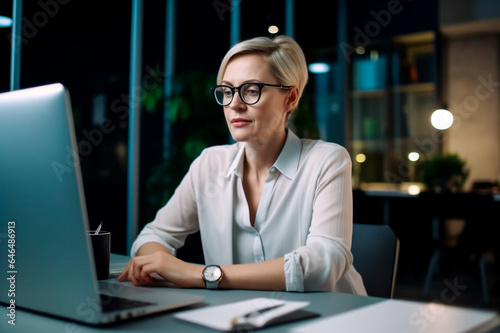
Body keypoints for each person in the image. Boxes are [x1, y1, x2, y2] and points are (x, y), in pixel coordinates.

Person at [118, 35, 366, 294]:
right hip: (240, 318)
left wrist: (200, 274)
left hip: (333, 317)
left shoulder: (326, 160)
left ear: (290, 98)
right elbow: (153, 237)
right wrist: (160, 262)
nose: (234, 104)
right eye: (226, 91)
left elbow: (323, 265)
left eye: (250, 90)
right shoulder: (209, 164)